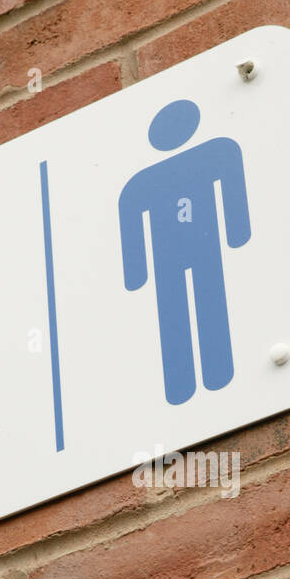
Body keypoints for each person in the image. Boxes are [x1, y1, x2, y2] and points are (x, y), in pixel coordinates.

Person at [118, 99, 251, 405]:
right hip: (180, 254)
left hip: (196, 250)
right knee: (178, 311)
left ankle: (215, 374)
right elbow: (129, 220)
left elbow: (232, 185)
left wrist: (237, 232)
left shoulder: (216, 152)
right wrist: (135, 273)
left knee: (203, 304)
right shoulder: (214, 153)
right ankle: (185, 383)